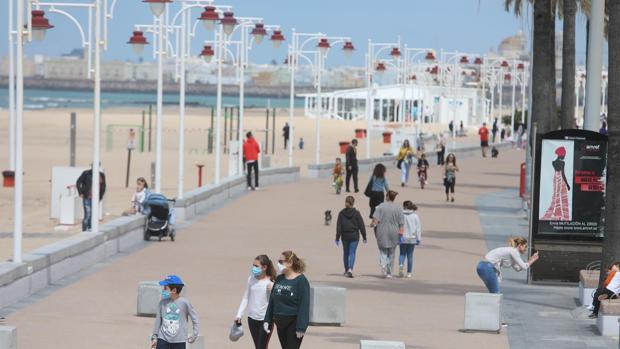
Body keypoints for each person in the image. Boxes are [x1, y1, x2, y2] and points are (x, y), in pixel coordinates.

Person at [263, 251, 310, 349]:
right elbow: (272, 300)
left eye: (281, 262)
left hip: (293, 322)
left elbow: (304, 305)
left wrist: (301, 326)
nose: (278, 264)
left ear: (290, 263)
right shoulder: (279, 279)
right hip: (280, 322)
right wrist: (267, 319)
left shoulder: (301, 281)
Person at [235, 255, 276, 349]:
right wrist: (239, 315)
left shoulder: (271, 282)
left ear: (264, 267)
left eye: (256, 266)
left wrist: (273, 291)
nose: (254, 268)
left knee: (261, 347)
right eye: (253, 265)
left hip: (266, 321)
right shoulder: (251, 279)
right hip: (252, 319)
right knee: (258, 346)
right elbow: (246, 297)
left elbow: (276, 302)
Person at [151, 275, 199, 349]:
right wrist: (154, 337)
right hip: (162, 339)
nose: (163, 290)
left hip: (179, 341)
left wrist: (194, 334)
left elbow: (195, 319)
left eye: (165, 288)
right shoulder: (162, 302)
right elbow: (158, 320)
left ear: (174, 290)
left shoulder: (185, 303)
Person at [371, 190, 404, 279]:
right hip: (394, 232)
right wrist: (401, 234)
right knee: (392, 253)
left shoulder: (381, 206)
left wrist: (372, 224)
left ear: (387, 197)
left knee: (383, 251)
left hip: (382, 231)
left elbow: (375, 221)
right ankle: (389, 272)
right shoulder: (398, 208)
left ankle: (383, 265)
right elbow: (401, 223)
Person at [335, 196, 367, 278]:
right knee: (352, 253)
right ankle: (350, 269)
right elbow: (361, 225)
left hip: (344, 236)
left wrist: (337, 238)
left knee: (346, 253)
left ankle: (346, 269)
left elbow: (339, 226)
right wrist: (364, 236)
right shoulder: (356, 213)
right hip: (354, 236)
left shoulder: (341, 213)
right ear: (353, 203)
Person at [541, 147, 571, 221]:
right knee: (562, 195)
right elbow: (563, 174)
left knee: (556, 194)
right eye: (564, 155)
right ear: (561, 155)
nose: (564, 156)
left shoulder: (553, 162)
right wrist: (567, 184)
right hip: (561, 178)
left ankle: (556, 213)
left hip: (556, 178)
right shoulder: (562, 163)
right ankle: (560, 214)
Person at [76, 164, 106, 232]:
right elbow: (78, 182)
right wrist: (80, 192)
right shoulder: (86, 173)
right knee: (87, 215)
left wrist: (101, 196)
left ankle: (90, 230)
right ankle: (84, 231)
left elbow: (103, 187)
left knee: (93, 216)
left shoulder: (101, 175)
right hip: (87, 198)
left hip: (96, 199)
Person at [399, 201, 421, 278]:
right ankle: (409, 272)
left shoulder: (401, 215)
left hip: (403, 237)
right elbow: (418, 228)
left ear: (404, 206)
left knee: (402, 254)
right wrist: (419, 239)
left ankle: (401, 267)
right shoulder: (415, 216)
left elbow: (398, 226)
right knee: (410, 255)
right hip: (412, 238)